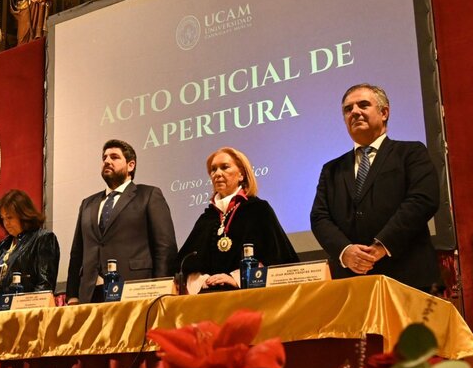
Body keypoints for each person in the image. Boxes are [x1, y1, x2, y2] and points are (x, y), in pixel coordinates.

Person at [310, 83, 441, 290]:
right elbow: (319, 217)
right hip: (350, 282)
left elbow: (422, 200)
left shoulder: (411, 153)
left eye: (363, 105)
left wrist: (381, 245)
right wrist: (346, 251)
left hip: (407, 278)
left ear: (384, 112)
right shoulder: (331, 169)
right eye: (348, 109)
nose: (355, 112)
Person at [67, 139, 178, 303]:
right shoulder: (87, 204)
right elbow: (77, 253)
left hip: (135, 290)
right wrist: (72, 295)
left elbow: (164, 246)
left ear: (131, 165)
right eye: (104, 158)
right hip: (90, 294)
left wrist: (160, 289)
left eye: (114, 157)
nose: (107, 161)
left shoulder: (148, 195)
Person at [177, 148, 298, 293]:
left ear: (241, 174)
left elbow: (278, 260)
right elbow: (185, 265)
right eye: (213, 170)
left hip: (249, 298)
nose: (217, 174)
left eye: (225, 167)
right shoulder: (207, 218)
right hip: (208, 299)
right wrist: (202, 280)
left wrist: (237, 278)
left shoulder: (258, 210)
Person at [0, 189, 60, 295]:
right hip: (0, 308)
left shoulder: (43, 238)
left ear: (24, 215)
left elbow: (45, 285)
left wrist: (28, 308)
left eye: (9, 217)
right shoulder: (1, 246)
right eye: (3, 218)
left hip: (27, 309)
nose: (6, 223)